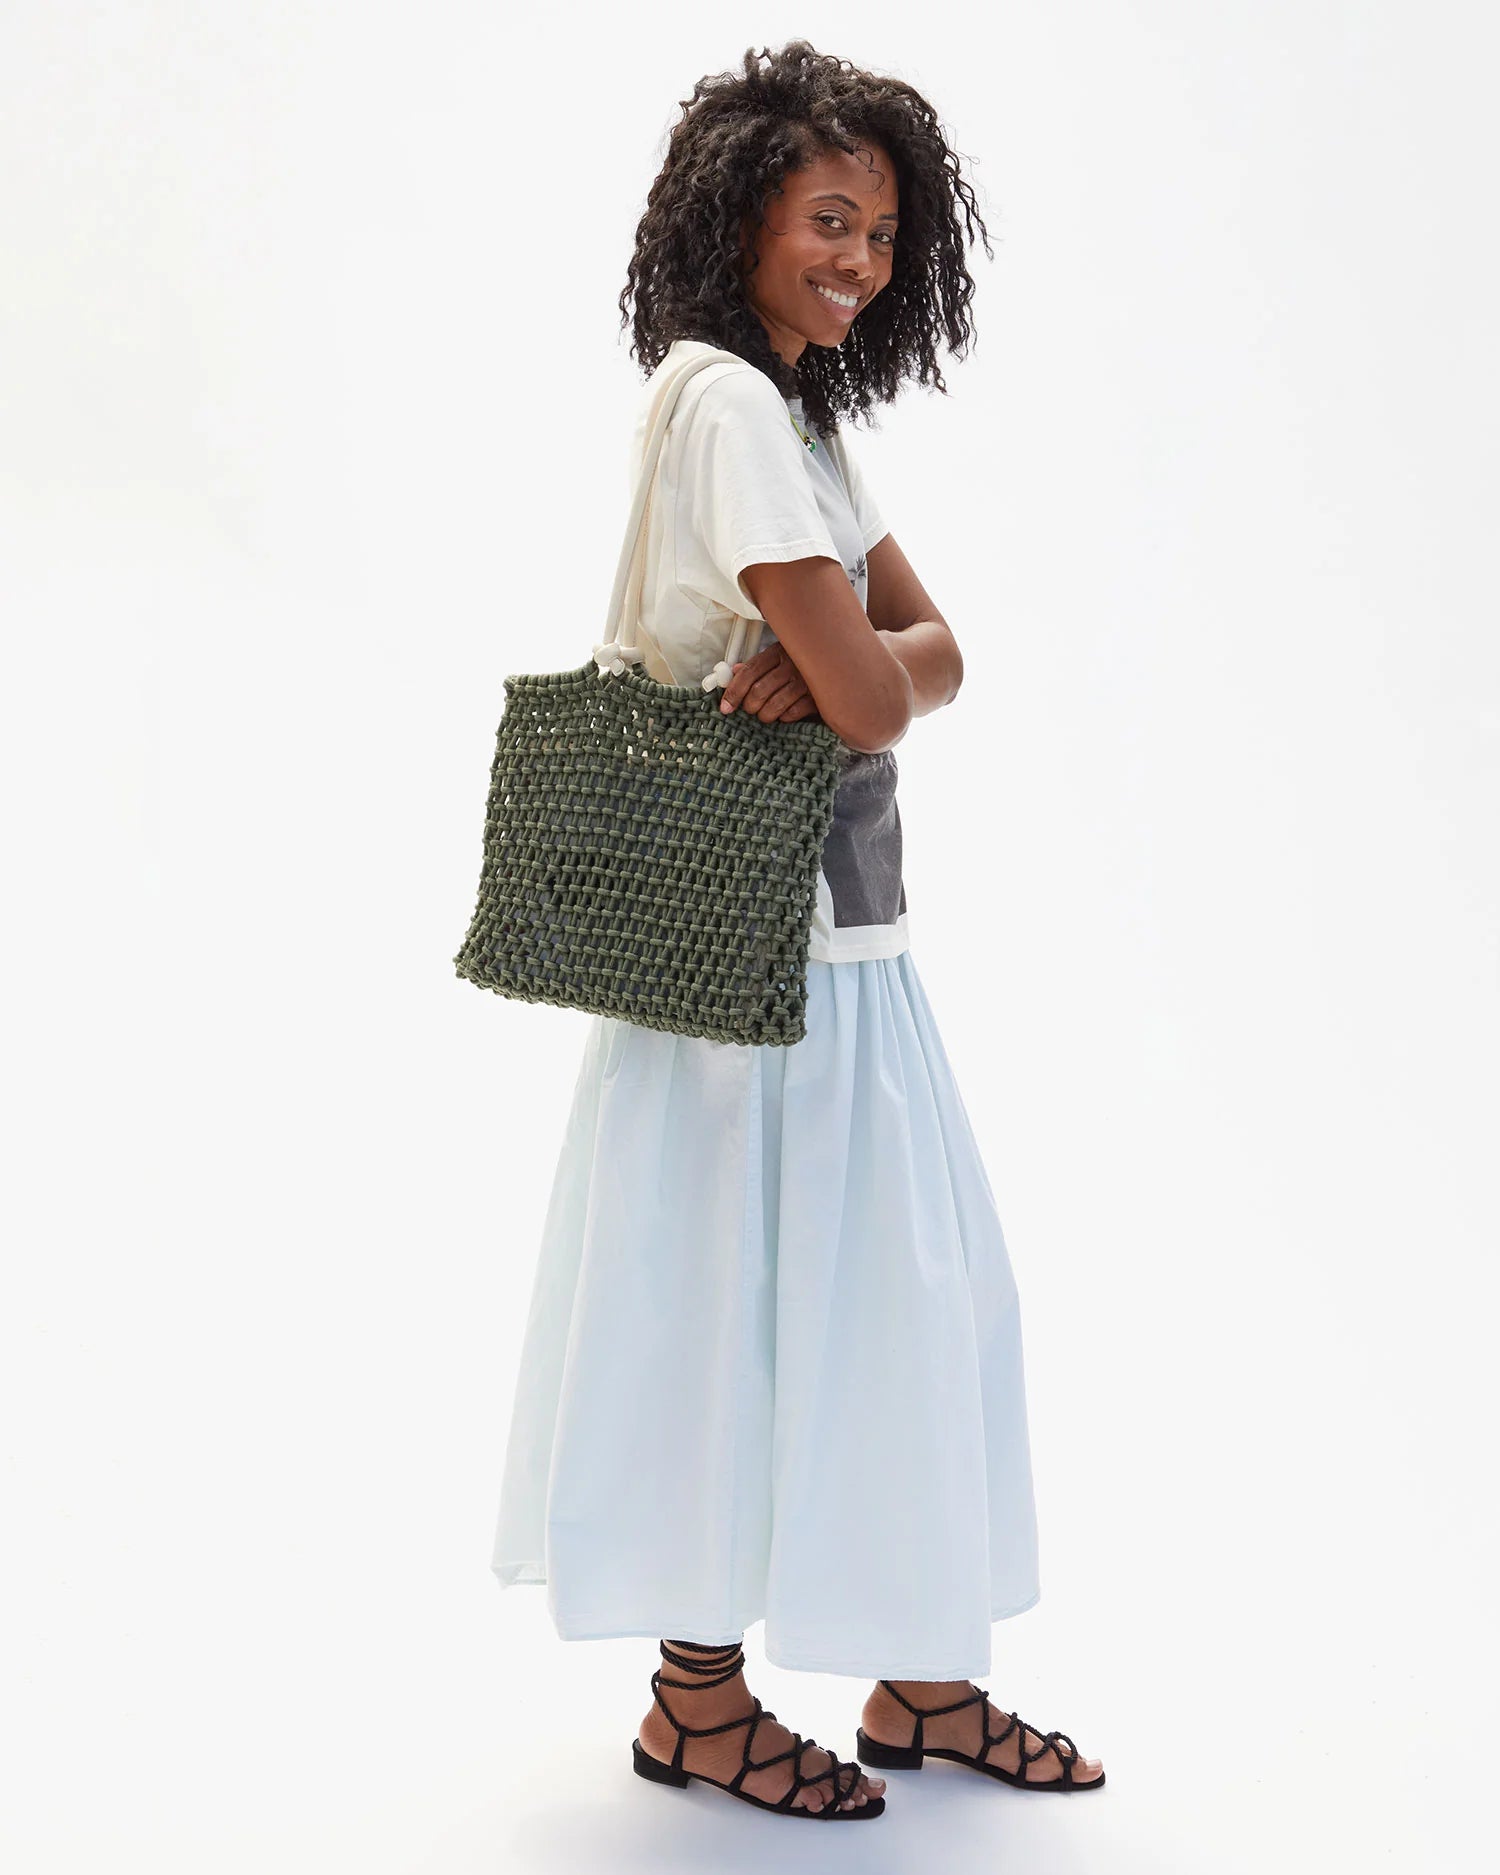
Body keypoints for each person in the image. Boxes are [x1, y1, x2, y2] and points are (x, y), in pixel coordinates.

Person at [487, 39, 1104, 1819]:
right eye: (830, 218)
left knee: (893, 1306)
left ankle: (921, 1680)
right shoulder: (733, 412)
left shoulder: (808, 414)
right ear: (740, 215)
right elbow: (891, 692)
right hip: (749, 970)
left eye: (886, 233)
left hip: (845, 947)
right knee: (741, 1321)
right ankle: (700, 1703)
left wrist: (856, 668)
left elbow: (931, 658)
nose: (863, 260)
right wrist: (859, 673)